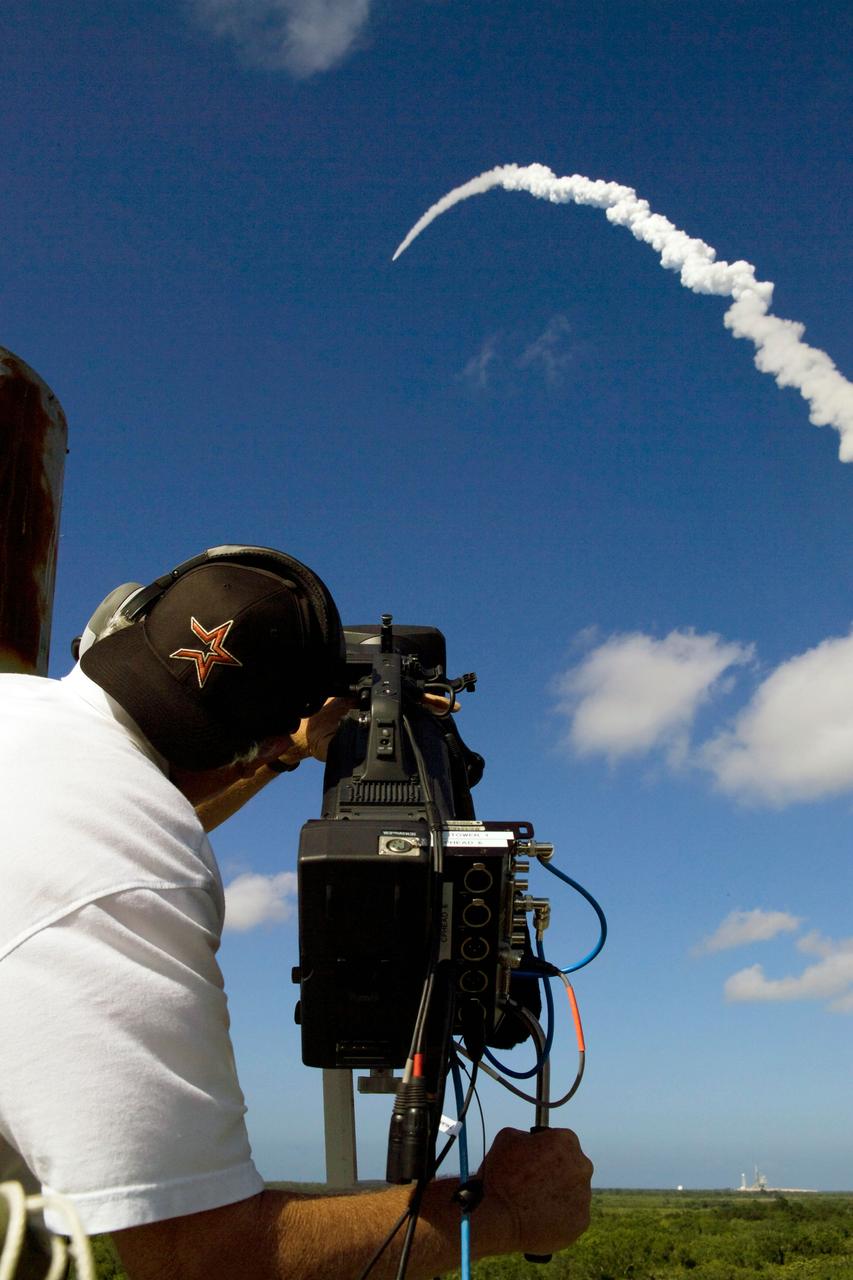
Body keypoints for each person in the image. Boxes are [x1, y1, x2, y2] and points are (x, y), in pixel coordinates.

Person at [0, 545, 593, 1279]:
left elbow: (135, 814)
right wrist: (501, 1210)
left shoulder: (22, 714)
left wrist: (278, 756)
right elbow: (202, 1262)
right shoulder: (131, 875)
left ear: (131, 619)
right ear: (266, 733)